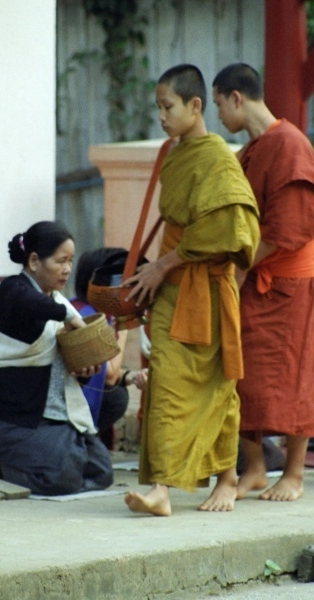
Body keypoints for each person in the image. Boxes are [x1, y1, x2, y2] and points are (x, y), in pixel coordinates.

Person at [122, 64, 260, 516]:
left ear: (195, 105)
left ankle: (227, 477)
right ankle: (162, 487)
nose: (161, 116)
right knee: (165, 382)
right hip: (170, 289)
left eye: (168, 107)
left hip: (205, 287)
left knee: (218, 384)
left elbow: (231, 226)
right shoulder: (175, 151)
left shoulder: (219, 158)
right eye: (158, 107)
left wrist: (164, 264)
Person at [212, 63, 314, 502]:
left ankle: (296, 474)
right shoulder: (252, 149)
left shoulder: (289, 143)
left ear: (237, 98)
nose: (218, 116)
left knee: (296, 377)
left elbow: (294, 223)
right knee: (245, 378)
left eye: (218, 105)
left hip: (289, 282)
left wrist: (245, 263)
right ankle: (258, 468)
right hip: (254, 278)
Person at [0, 221, 114, 496]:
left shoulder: (58, 301)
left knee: (102, 473)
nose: (67, 269)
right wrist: (72, 317)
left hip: (55, 413)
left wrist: (84, 371)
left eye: (70, 261)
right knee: (61, 478)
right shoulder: (13, 291)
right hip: (15, 417)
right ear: (35, 261)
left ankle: (50, 457)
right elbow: (32, 303)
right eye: (60, 261)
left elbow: (66, 372)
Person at [71, 247, 148, 448]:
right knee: (116, 397)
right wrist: (124, 323)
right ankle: (82, 444)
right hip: (66, 407)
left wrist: (130, 376)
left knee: (118, 392)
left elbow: (103, 369)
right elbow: (109, 375)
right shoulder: (87, 315)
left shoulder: (87, 308)